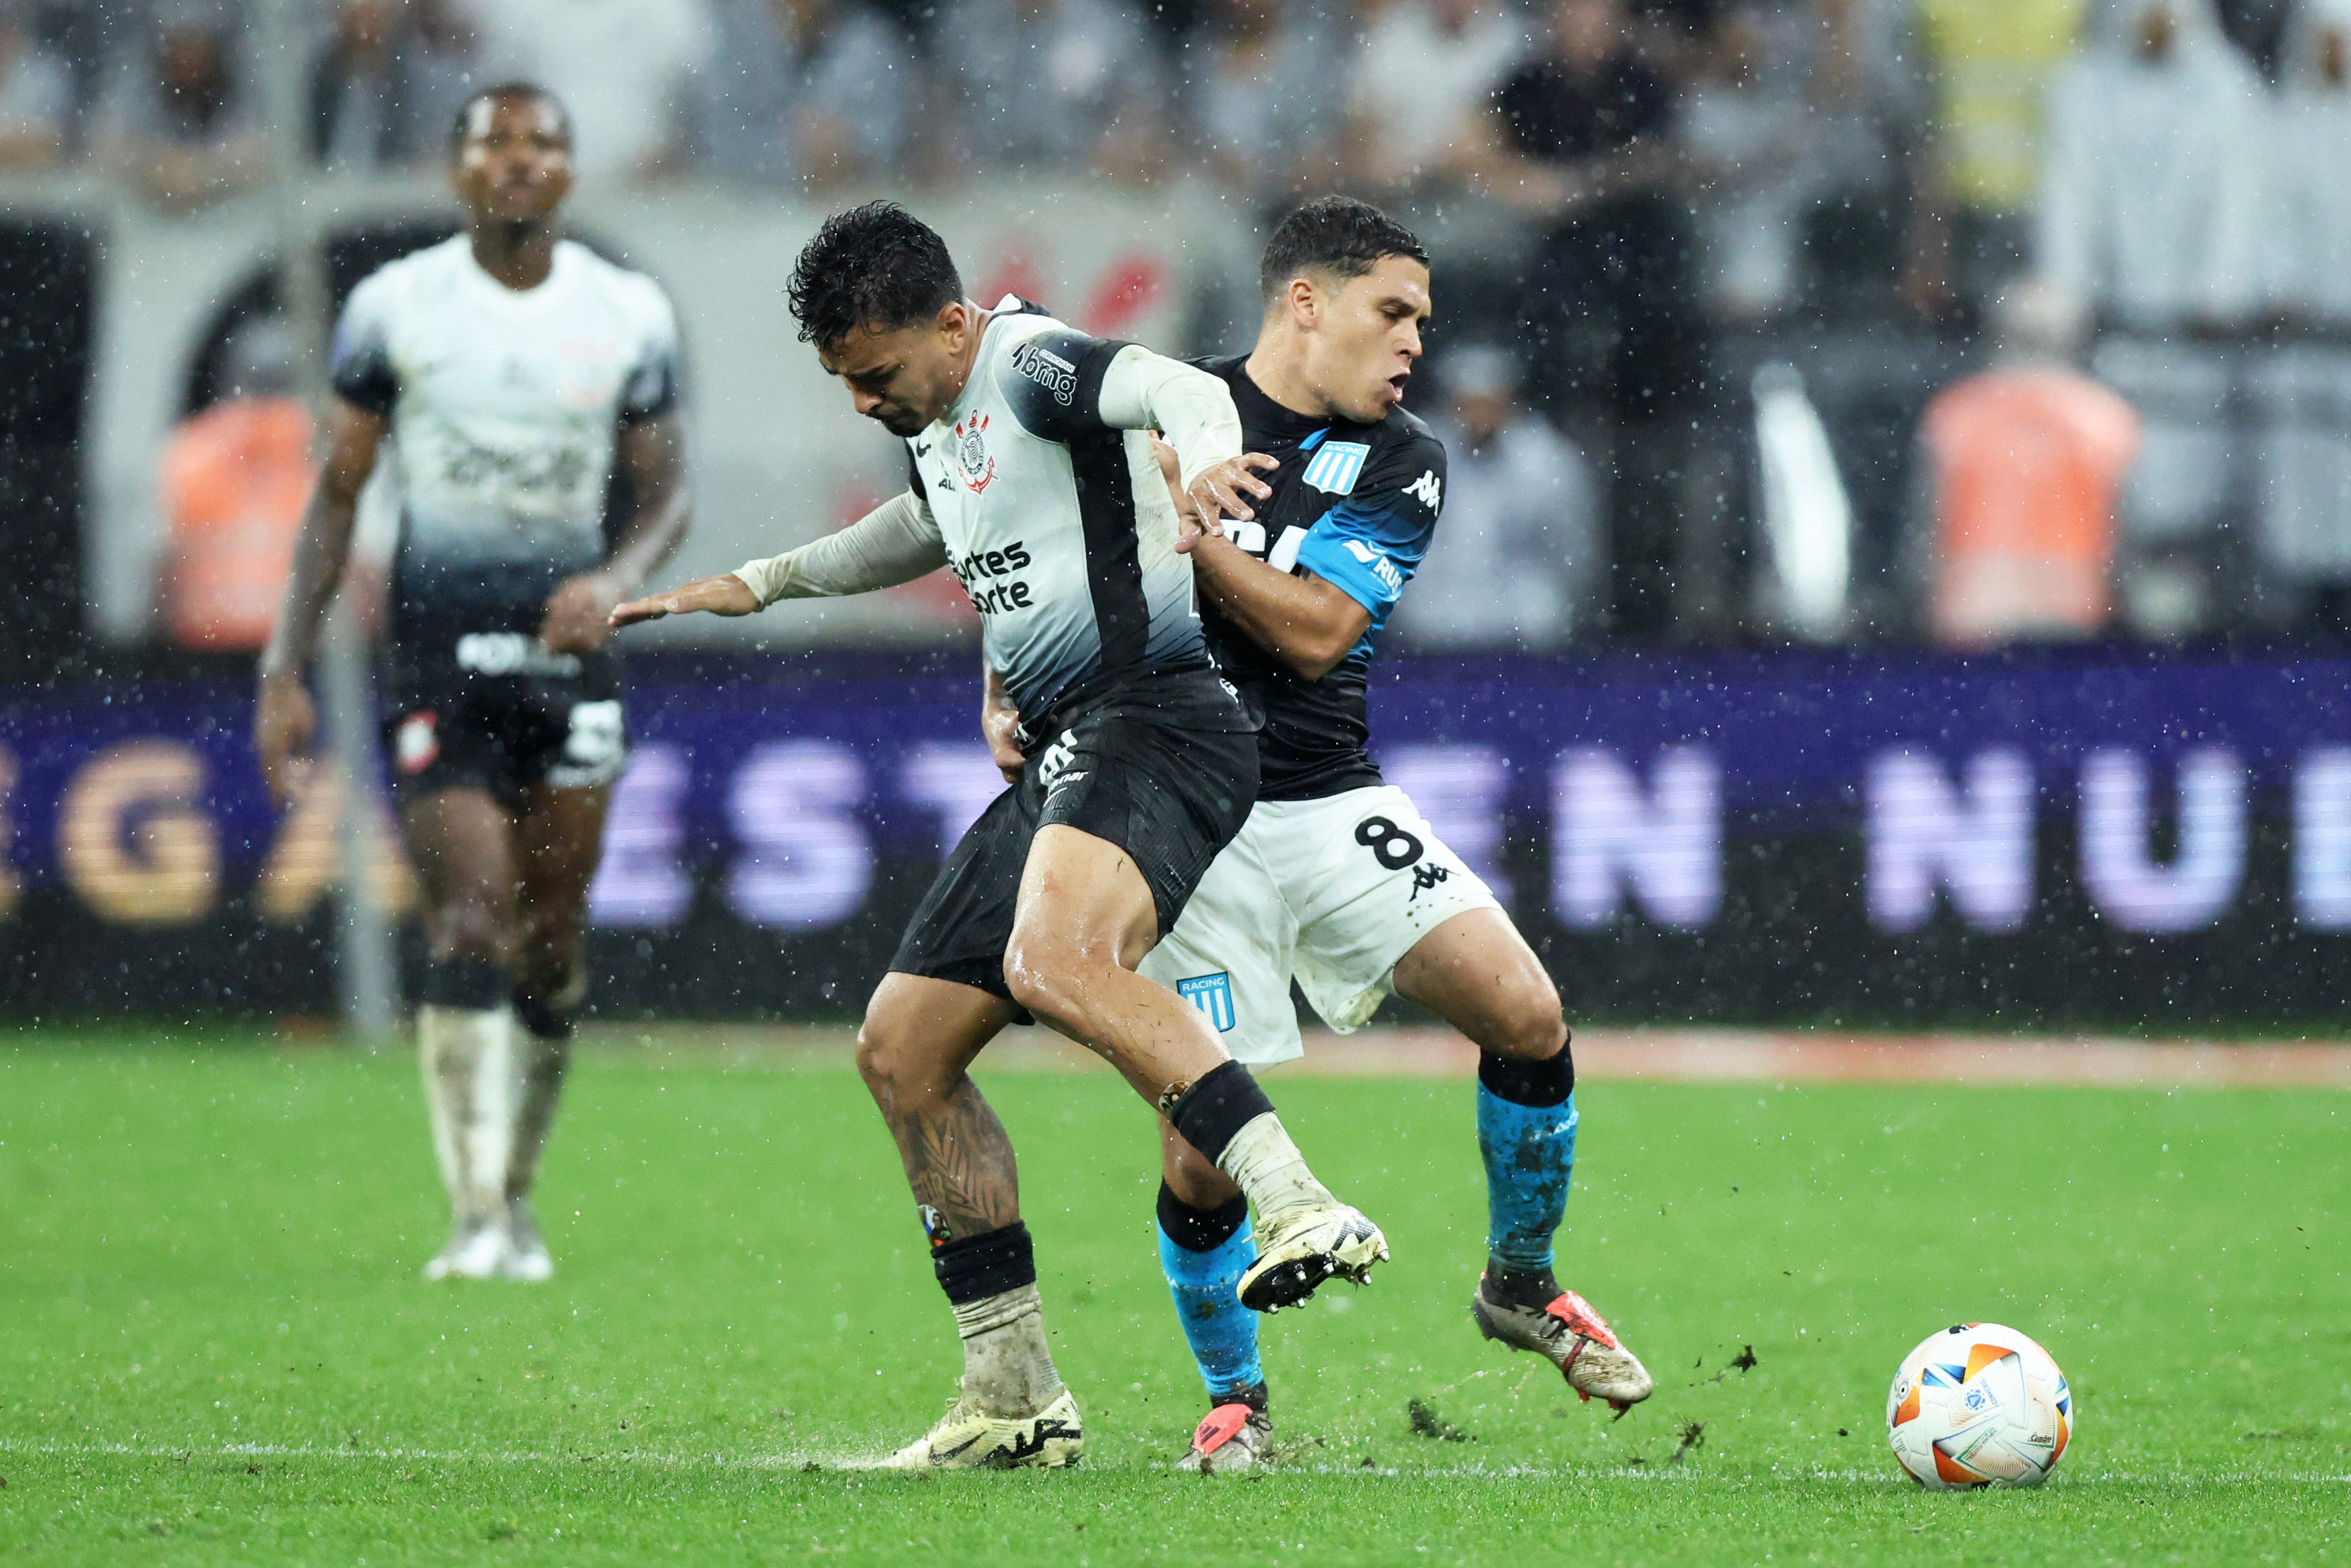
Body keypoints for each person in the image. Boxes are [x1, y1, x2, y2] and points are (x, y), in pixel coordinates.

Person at [608, 202, 1388, 1471]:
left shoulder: (1027, 362)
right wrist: (758, 582)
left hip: (1159, 718)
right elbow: (924, 526)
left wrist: (1196, 461)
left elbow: (1178, 385)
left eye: (877, 373)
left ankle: (1299, 1201)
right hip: (1068, 746)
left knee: (1057, 962)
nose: (866, 402)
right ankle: (1013, 1392)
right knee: (903, 1047)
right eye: (846, 383)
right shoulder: (942, 420)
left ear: (954, 325)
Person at [1121, 198, 1652, 1472]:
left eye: (1422, 318)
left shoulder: (1405, 457)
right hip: (1187, 812)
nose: (1415, 341)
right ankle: (1236, 1397)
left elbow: (1312, 632)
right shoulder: (1164, 416)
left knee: (1527, 1015)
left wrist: (1182, 531)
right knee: (1202, 1161)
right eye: (1393, 311)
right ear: (1305, 302)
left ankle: (1519, 1281)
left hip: (1330, 794)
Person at [255, 83, 693, 1283]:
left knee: (551, 939)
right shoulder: (396, 307)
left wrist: (614, 575)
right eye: (493, 140)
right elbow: (338, 494)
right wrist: (283, 665)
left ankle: (514, 1191)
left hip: (568, 657)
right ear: (456, 169)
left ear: (567, 169)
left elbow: (668, 492)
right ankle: (474, 1219)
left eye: (541, 140)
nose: (517, 159)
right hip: (436, 653)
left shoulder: (625, 311)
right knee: (468, 916)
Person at [1394, 343, 1601, 649]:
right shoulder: (1415, 454)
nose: (1479, 416)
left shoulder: (1548, 461)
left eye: (1489, 404)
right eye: (1469, 405)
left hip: (1524, 616)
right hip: (1435, 616)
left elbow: (1573, 549)